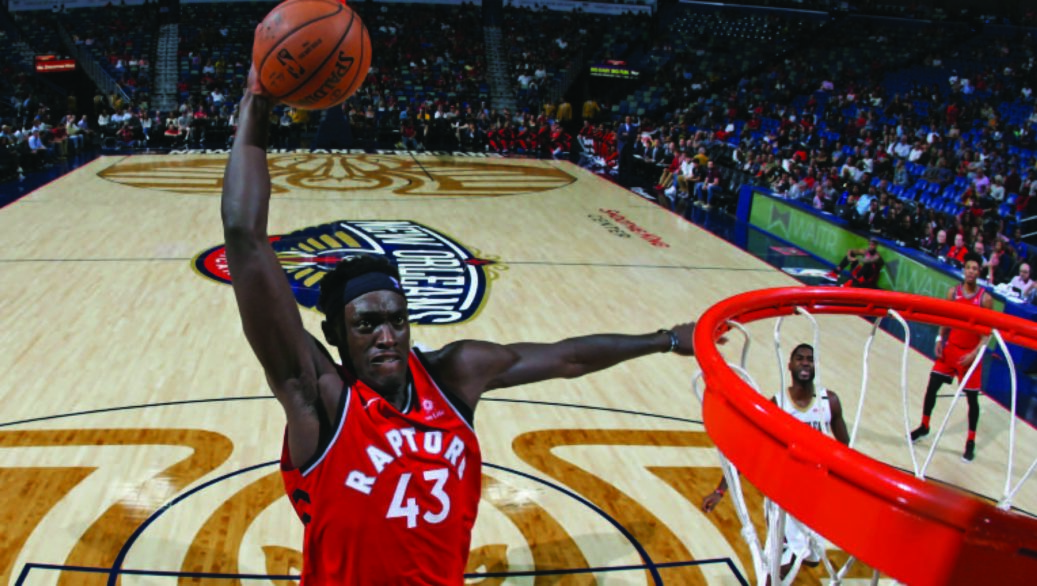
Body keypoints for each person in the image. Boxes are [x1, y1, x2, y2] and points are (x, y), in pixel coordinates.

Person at [220, 66, 699, 584]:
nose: (386, 336)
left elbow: (569, 357)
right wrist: (257, 101)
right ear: (335, 335)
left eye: (396, 320)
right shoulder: (323, 399)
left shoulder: (455, 375)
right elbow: (245, 236)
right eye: (367, 325)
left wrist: (667, 340)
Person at [702, 344, 850, 577]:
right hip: (784, 495)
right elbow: (748, 451)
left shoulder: (829, 401)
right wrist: (720, 491)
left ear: (815, 366)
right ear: (789, 366)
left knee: (811, 559)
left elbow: (846, 450)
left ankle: (795, 557)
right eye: (800, 358)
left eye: (810, 359)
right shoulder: (778, 405)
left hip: (815, 495)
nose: (805, 362)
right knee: (778, 567)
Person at [910, 252, 992, 462]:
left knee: (972, 400)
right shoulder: (952, 292)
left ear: (979, 272)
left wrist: (973, 354)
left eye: (975, 268)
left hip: (970, 355)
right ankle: (925, 426)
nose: (971, 272)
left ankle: (970, 441)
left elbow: (987, 334)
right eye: (968, 268)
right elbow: (946, 319)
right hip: (951, 348)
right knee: (932, 386)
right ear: (964, 270)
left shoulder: (985, 299)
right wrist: (939, 339)